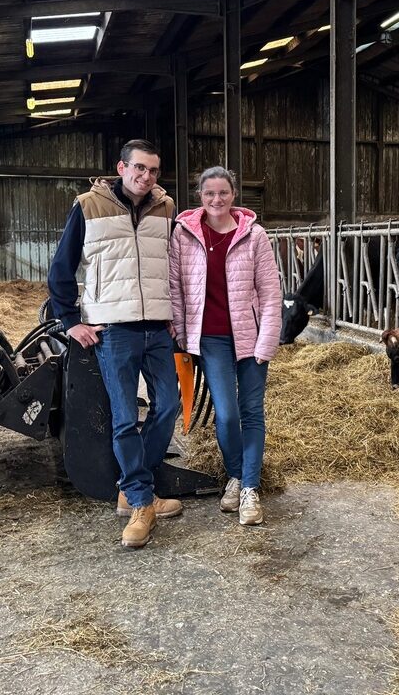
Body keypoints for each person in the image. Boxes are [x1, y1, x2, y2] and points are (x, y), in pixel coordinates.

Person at [47, 139, 182, 549]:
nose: (146, 177)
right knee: (124, 416)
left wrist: (176, 315)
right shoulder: (89, 205)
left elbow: (174, 266)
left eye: (154, 170)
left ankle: (132, 483)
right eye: (139, 168)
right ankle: (140, 502)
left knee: (169, 405)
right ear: (121, 169)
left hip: (157, 328)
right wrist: (71, 321)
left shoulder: (166, 208)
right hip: (115, 330)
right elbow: (61, 270)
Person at [169, 166, 282, 526]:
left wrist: (268, 339)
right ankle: (235, 472)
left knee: (252, 412)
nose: (216, 200)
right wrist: (179, 331)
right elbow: (175, 288)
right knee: (228, 412)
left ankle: (248, 487)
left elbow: (269, 291)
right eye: (209, 194)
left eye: (223, 193)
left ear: (234, 195)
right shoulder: (184, 234)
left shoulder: (255, 235)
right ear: (200, 196)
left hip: (250, 336)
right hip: (209, 337)